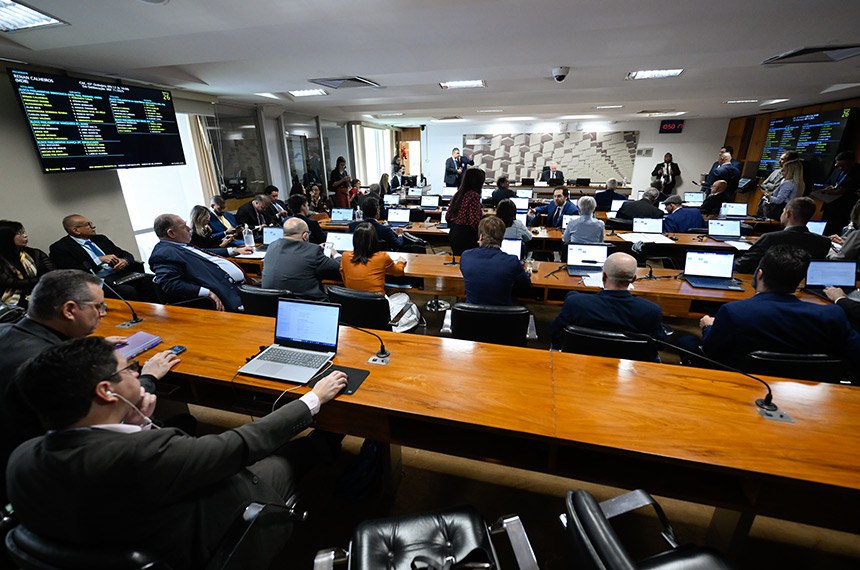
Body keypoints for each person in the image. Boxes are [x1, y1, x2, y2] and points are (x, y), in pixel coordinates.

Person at [6, 335, 347, 569]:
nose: (136, 373)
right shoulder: (145, 455)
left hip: (119, 536)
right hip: (214, 536)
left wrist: (138, 423)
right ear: (106, 391)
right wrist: (312, 399)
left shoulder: (22, 456)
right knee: (291, 454)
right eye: (128, 370)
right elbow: (240, 445)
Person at [0, 270, 180, 506]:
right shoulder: (52, 365)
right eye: (98, 307)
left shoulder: (7, 331)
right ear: (69, 310)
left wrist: (87, 345)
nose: (103, 314)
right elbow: (110, 405)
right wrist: (147, 377)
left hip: (19, 462)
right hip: (65, 474)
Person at [688, 245, 860, 371]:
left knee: (686, 341)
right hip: (810, 392)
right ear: (800, 281)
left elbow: (711, 352)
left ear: (760, 274)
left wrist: (709, 327)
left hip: (741, 382)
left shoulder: (734, 311)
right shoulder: (832, 314)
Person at [549, 252, 666, 349]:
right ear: (634, 279)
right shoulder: (651, 310)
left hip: (581, 362)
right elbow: (660, 345)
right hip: (629, 368)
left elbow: (555, 334)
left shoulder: (575, 302)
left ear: (603, 276)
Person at [148, 214, 253, 311]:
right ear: (171, 233)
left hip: (239, 287)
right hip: (229, 295)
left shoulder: (178, 246)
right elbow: (170, 284)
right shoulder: (164, 253)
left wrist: (233, 250)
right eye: (184, 227)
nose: (189, 229)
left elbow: (204, 253)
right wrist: (207, 293)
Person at [49, 215, 156, 302]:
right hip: (96, 282)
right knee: (128, 291)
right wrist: (99, 260)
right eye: (88, 225)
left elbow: (124, 253)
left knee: (151, 280)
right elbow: (73, 272)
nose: (93, 226)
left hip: (118, 275)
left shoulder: (100, 239)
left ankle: (158, 313)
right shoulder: (60, 248)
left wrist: (125, 261)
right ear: (76, 230)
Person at [340, 222, 418, 332]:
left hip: (354, 307)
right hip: (377, 307)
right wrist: (401, 262)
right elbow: (398, 272)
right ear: (374, 240)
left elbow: (344, 279)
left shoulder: (345, 256)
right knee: (404, 296)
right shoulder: (382, 257)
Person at [734, 197, 831, 273]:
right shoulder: (824, 242)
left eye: (783, 211)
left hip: (769, 285)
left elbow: (743, 265)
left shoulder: (770, 238)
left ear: (788, 214)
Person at [262, 217, 340, 300]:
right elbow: (339, 267)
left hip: (271, 302)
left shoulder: (272, 246)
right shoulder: (313, 251)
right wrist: (336, 254)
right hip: (306, 304)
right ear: (305, 235)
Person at [459, 216, 531, 306]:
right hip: (502, 317)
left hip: (472, 316)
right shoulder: (512, 261)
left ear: (481, 236)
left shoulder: (466, 256)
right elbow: (526, 285)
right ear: (502, 237)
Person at [0, 221, 54, 308]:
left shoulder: (36, 253)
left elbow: (53, 273)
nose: (25, 235)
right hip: (13, 301)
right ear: (6, 237)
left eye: (23, 232)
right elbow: (12, 283)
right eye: (19, 233)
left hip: (43, 292)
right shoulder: (2, 259)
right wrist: (43, 279)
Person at [446, 167, 486, 255]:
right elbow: (474, 221)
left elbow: (448, 216)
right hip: (467, 235)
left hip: (454, 232)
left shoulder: (458, 194)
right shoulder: (473, 196)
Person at [820, 151, 860, 235]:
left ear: (851, 162)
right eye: (838, 165)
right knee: (825, 231)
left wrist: (844, 191)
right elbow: (828, 182)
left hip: (844, 209)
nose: (840, 168)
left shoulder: (858, 172)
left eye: (843, 165)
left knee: (837, 233)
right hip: (829, 206)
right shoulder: (837, 169)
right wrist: (828, 187)